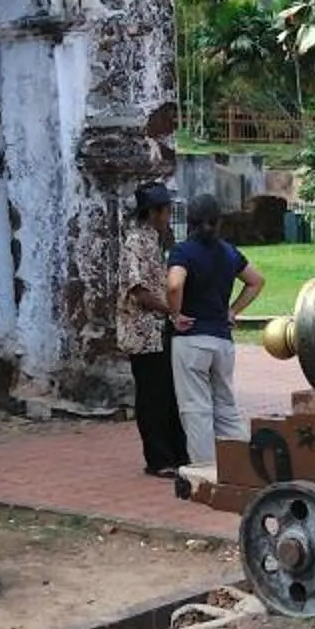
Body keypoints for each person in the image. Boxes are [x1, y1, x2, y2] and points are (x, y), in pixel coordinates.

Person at [167, 193, 265, 472]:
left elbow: (174, 285)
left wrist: (176, 314)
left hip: (192, 339)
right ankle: (246, 466)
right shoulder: (228, 252)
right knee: (226, 406)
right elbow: (256, 281)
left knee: (195, 408)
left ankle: (205, 469)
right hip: (222, 340)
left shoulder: (183, 252)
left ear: (190, 221)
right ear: (219, 221)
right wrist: (232, 311)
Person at [120, 183, 190, 477]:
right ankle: (158, 458)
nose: (168, 215)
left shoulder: (156, 240)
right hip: (142, 330)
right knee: (151, 396)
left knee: (167, 392)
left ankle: (175, 453)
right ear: (154, 212)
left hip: (159, 329)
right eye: (165, 210)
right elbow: (139, 291)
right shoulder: (136, 242)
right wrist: (171, 310)